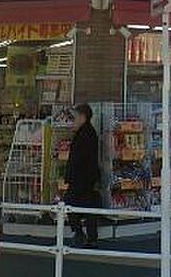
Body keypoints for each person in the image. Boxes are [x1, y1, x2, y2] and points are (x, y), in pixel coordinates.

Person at [64, 103, 100, 247]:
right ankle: (90, 236)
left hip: (81, 178)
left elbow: (78, 158)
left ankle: (80, 233)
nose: (74, 120)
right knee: (87, 206)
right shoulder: (88, 132)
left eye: (76, 117)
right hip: (87, 177)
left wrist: (70, 174)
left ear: (83, 117)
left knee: (69, 202)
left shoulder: (84, 134)